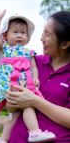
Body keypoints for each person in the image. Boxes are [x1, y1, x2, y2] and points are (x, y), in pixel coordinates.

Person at [0, 9, 56, 143]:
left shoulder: (29, 52)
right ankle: (34, 132)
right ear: (5, 36)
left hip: (24, 87)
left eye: (23, 33)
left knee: (16, 115)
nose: (19, 35)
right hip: (9, 87)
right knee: (27, 106)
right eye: (15, 32)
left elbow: (33, 67)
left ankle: (3, 139)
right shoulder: (5, 49)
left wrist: (36, 78)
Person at [6, 10, 70, 143]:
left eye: (48, 34)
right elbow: (10, 107)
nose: (41, 38)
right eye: (43, 32)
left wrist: (34, 101)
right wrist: (14, 98)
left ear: (65, 44)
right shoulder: (32, 62)